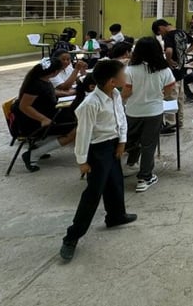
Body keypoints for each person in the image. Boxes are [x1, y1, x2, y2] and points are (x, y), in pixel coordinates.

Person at [59, 59, 136, 262]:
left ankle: (116, 216)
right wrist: (82, 161)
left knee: (115, 183)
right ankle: (72, 237)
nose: (126, 76)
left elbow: (121, 118)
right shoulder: (90, 104)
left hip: (113, 146)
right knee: (94, 192)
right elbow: (83, 134)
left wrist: (122, 142)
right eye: (122, 74)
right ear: (112, 81)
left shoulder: (115, 94)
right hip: (97, 150)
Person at [122, 37, 176, 192]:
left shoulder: (130, 69)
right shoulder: (164, 70)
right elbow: (168, 90)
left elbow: (126, 92)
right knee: (148, 145)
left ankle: (130, 164)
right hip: (154, 112)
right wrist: (157, 95)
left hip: (133, 111)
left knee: (131, 140)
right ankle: (144, 177)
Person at [12, 57, 78, 172]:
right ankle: (34, 154)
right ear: (53, 72)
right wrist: (43, 119)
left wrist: (67, 93)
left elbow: (49, 92)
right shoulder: (35, 85)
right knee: (74, 130)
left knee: (74, 119)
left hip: (45, 114)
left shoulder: (43, 80)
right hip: (33, 122)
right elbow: (24, 106)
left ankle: (38, 146)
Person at [152, 19, 193, 136]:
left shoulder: (168, 35)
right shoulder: (181, 32)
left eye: (159, 33)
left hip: (173, 71)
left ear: (161, 27)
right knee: (180, 97)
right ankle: (179, 121)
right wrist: (185, 52)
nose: (161, 35)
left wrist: (168, 60)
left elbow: (168, 50)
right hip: (181, 69)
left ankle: (170, 123)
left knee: (171, 97)